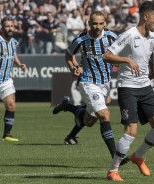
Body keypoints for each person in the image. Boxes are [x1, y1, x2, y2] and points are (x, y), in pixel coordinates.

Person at [102, 1, 154, 181]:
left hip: (145, 86)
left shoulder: (153, 36)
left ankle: (138, 156)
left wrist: (152, 69)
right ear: (146, 17)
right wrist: (126, 60)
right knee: (131, 131)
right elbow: (107, 55)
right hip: (127, 87)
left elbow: (151, 52)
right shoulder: (129, 35)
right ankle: (113, 170)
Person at [52, 11, 117, 159]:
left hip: (105, 83)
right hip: (88, 82)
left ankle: (67, 106)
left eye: (101, 23)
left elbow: (121, 53)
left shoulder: (112, 37)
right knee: (104, 115)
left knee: (89, 121)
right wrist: (74, 67)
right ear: (89, 24)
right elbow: (68, 55)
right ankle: (116, 156)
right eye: (94, 23)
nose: (98, 26)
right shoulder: (81, 40)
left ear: (105, 23)